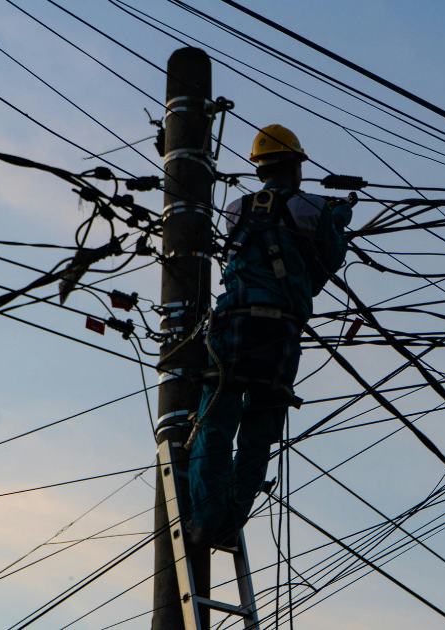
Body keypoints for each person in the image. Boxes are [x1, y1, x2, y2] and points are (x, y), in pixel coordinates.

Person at [185, 124, 353, 546]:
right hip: (281, 332)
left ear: (259, 168)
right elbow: (326, 264)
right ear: (297, 164)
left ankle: (205, 518)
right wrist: (336, 221)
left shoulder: (236, 208)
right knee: (260, 433)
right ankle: (230, 523)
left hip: (233, 324)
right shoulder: (313, 208)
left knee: (215, 421)